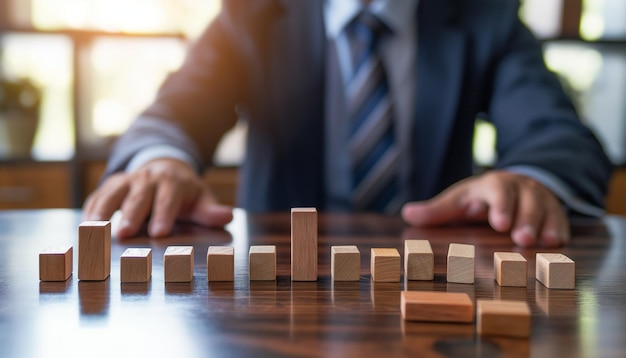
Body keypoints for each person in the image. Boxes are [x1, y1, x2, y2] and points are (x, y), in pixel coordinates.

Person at [84, 0, 613, 247]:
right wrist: (162, 161)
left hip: (432, 281)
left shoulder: (486, 17)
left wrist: (530, 181)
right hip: (280, 287)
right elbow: (177, 111)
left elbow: (559, 139)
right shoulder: (254, 15)